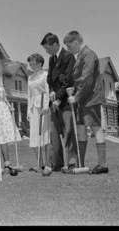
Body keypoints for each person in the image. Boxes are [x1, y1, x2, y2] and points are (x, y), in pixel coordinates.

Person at [64, 30, 108, 174]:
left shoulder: (88, 55)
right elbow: (80, 79)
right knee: (81, 129)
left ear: (76, 42)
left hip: (91, 98)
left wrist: (76, 97)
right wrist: (74, 89)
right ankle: (80, 163)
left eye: (69, 46)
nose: (68, 50)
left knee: (95, 128)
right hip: (83, 99)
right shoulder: (80, 56)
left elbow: (87, 78)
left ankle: (102, 164)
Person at [40, 32, 78, 174]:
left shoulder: (68, 57)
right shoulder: (51, 59)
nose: (46, 51)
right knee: (54, 133)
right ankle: (56, 164)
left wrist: (59, 98)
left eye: (47, 48)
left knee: (69, 132)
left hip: (65, 102)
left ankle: (72, 163)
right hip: (54, 102)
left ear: (55, 44)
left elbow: (69, 80)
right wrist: (51, 91)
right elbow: (50, 79)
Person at [27, 53, 51, 175]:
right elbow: (29, 95)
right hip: (33, 108)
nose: (32, 66)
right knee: (35, 135)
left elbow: (47, 91)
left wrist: (46, 106)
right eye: (30, 64)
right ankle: (39, 163)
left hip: (42, 107)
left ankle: (47, 163)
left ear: (40, 63)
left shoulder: (45, 75)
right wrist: (28, 110)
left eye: (34, 63)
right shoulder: (30, 77)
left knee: (44, 134)